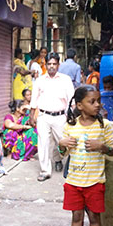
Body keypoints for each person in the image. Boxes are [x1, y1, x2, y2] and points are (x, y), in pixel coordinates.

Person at [57, 85, 113, 226]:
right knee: (76, 218)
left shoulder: (104, 126)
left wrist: (103, 147)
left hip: (95, 182)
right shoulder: (70, 127)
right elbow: (63, 153)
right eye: (92, 102)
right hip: (74, 181)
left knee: (93, 218)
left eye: (98, 100)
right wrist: (61, 145)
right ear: (80, 105)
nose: (97, 104)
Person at [31, 52, 75, 180]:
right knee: (43, 143)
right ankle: (45, 171)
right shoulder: (40, 81)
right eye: (49, 64)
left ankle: (58, 159)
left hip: (60, 117)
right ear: (45, 64)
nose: (51, 66)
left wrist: (73, 115)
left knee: (63, 142)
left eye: (54, 64)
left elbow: (71, 99)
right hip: (43, 116)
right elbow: (34, 99)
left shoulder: (65, 79)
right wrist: (31, 116)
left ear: (58, 65)